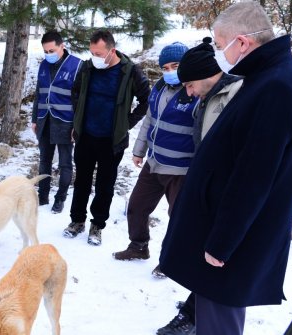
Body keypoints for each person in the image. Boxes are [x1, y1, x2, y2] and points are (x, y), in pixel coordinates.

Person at [159, 2, 292, 335]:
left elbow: (254, 175)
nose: (218, 52)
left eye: (219, 44)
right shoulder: (269, 78)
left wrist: (222, 242)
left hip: (233, 241)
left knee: (220, 323)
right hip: (227, 231)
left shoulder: (278, 87)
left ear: (242, 42)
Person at [154, 36, 244, 335]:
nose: (188, 93)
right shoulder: (208, 96)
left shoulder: (237, 94)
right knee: (201, 259)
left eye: (190, 85)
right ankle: (194, 313)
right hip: (204, 187)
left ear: (205, 76)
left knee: (215, 266)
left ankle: (196, 317)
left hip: (226, 196)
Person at [112, 43, 197, 269]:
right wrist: (139, 150)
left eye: (175, 66)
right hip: (154, 162)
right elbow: (150, 120)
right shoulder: (159, 88)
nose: (170, 71)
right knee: (137, 206)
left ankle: (172, 260)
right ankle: (138, 246)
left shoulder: (196, 92)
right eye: (165, 67)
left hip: (180, 169)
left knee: (178, 218)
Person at [63, 30, 150, 246]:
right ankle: (77, 221)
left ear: (112, 50)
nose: (94, 57)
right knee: (81, 180)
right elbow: (75, 92)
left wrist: (125, 124)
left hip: (111, 141)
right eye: (92, 52)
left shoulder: (130, 71)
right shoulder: (87, 67)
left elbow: (146, 100)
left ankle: (97, 225)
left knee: (105, 184)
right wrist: (78, 120)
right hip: (86, 136)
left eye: (99, 53)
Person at [31, 31, 82, 214]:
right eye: (45, 51)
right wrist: (35, 118)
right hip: (44, 120)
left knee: (65, 163)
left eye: (51, 50)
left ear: (62, 46)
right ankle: (42, 196)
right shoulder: (44, 65)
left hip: (65, 123)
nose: (48, 54)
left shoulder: (77, 66)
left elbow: (80, 101)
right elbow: (39, 93)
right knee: (44, 161)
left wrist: (77, 127)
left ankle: (60, 198)